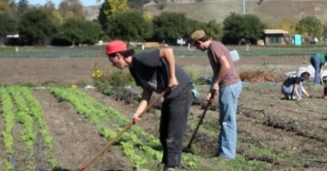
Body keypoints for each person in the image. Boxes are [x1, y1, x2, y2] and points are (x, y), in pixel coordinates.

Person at [104, 40, 192, 171]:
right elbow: (147, 91)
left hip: (181, 90)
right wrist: (137, 113)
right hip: (170, 95)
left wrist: (172, 77)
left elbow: (168, 51)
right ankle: (167, 166)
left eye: (112, 61)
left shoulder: (141, 59)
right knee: (163, 133)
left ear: (118, 55)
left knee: (173, 133)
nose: (113, 65)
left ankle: (170, 168)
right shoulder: (134, 70)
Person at [190, 30, 242, 159]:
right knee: (225, 119)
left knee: (227, 120)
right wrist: (213, 88)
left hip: (229, 85)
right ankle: (223, 151)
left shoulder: (214, 47)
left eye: (196, 46)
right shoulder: (216, 46)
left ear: (200, 42)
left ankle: (227, 154)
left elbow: (225, 65)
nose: (197, 48)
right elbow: (218, 70)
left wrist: (216, 83)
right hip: (229, 85)